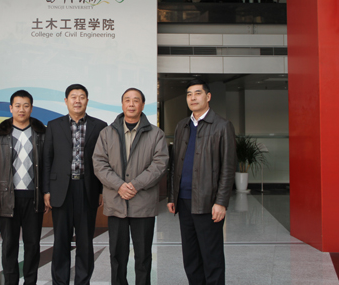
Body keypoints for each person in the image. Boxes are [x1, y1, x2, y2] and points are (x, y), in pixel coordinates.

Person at [93, 88, 169, 285]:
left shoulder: (156, 134)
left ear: (143, 105)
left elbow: (160, 164)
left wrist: (135, 185)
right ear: (122, 104)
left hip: (143, 204)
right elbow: (99, 163)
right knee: (117, 255)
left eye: (136, 100)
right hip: (116, 202)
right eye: (127, 100)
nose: (131, 104)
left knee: (143, 256)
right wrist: (119, 186)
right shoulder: (107, 133)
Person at [167, 79, 237, 285]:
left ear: (208, 96)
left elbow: (228, 167)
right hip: (184, 201)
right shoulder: (182, 126)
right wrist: (172, 196)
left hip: (208, 202)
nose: (193, 98)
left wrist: (221, 202)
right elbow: (174, 164)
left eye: (198, 93)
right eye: (189, 94)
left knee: (211, 257)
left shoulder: (222, 126)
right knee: (190, 257)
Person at [43, 84, 107, 285]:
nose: (77, 100)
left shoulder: (100, 126)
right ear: (66, 101)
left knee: (85, 241)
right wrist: (46, 190)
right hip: (61, 189)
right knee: (61, 240)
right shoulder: (54, 125)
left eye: (81, 97)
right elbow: (47, 159)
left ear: (87, 100)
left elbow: (104, 160)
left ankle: (83, 281)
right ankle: (59, 281)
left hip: (87, 189)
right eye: (73, 96)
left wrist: (101, 190)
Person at [0, 90, 48, 285]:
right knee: (9, 245)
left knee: (33, 245)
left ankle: (30, 281)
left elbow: (47, 167)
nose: (22, 109)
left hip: (33, 198)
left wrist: (46, 194)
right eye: (18, 106)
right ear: (11, 108)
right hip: (7, 199)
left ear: (31, 108)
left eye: (26, 106)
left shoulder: (41, 134)